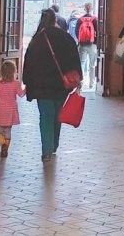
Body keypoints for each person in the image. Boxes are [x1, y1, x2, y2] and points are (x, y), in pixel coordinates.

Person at [22, 9, 81, 162]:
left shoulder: (37, 39)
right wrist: (77, 78)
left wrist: (27, 81)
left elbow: (28, 63)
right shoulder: (65, 37)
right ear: (55, 19)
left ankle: (46, 150)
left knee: (45, 116)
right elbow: (75, 59)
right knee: (57, 115)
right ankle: (54, 145)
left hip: (41, 86)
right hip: (61, 85)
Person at [0, 59, 25, 158]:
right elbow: (21, 94)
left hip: (1, 110)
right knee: (8, 131)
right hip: (11, 111)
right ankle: (6, 148)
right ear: (14, 72)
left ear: (1, 72)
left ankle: (3, 144)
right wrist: (27, 88)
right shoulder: (16, 84)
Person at [72, 3, 98, 90]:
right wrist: (95, 42)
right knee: (92, 65)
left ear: (84, 9)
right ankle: (91, 84)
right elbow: (98, 32)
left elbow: (76, 31)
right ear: (91, 9)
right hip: (92, 45)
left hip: (82, 44)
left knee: (82, 64)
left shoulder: (80, 19)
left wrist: (80, 40)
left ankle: (81, 83)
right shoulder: (95, 19)